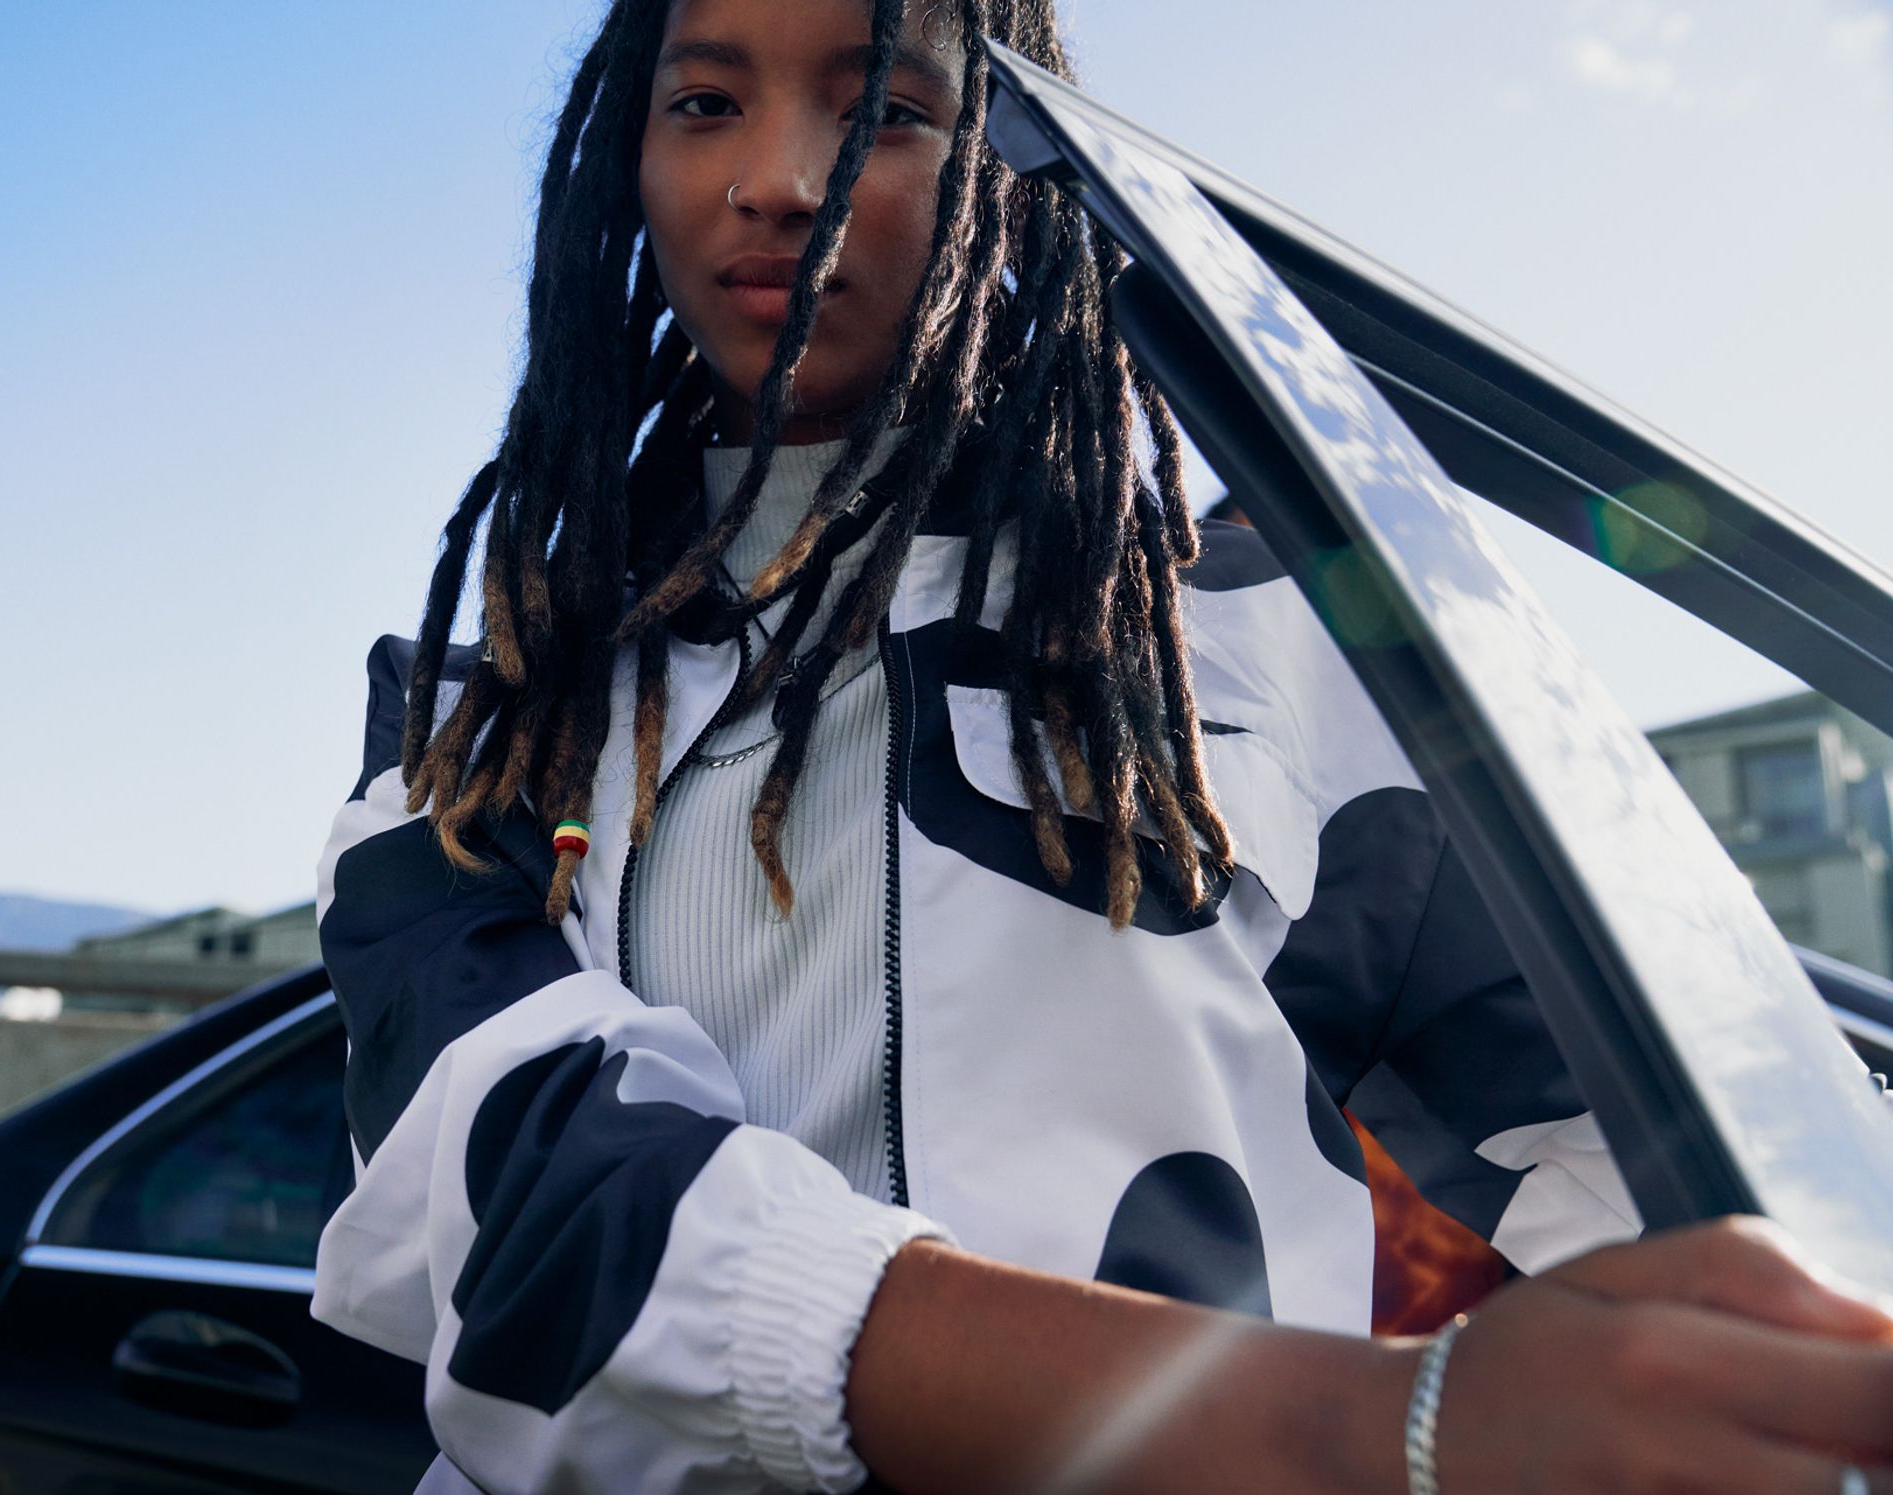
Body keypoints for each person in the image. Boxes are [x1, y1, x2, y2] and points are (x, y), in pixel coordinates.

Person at [310, 0, 1893, 1490]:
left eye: (890, 111)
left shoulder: (1269, 649)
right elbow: (546, 1214)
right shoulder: (472, 737)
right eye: (706, 103)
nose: (784, 181)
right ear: (625, 162)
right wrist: (1392, 1433)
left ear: (1009, 158)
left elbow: (1682, 1155)